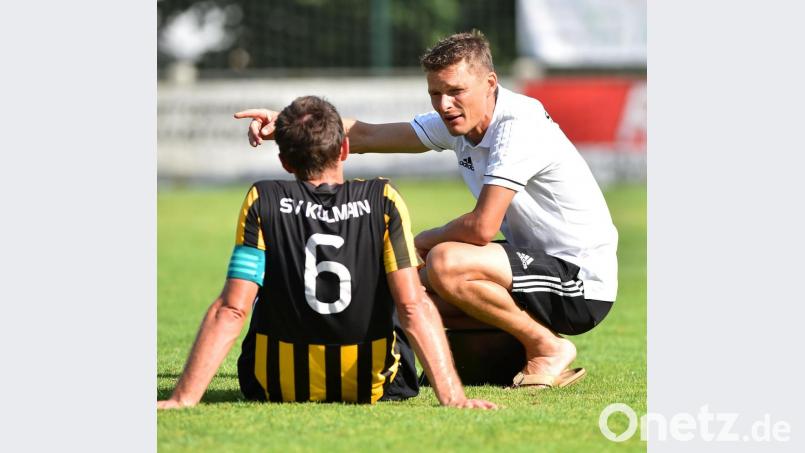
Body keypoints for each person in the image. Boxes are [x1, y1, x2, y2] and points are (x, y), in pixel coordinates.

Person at [234, 31, 618, 390]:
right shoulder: (463, 120)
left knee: (445, 261)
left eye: (456, 91)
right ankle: (491, 354)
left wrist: (419, 241)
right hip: (532, 269)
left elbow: (482, 227)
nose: (445, 105)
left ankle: (547, 346)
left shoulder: (517, 125)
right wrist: (288, 123)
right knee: (404, 290)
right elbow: (367, 135)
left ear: (490, 83)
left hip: (580, 281)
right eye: (436, 93)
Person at [158, 96, 496, 409]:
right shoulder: (383, 199)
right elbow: (413, 306)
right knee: (398, 290)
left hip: (275, 385)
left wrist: (183, 399)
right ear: (345, 148)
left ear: (285, 162)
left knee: (261, 288)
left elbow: (232, 309)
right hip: (375, 385)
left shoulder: (263, 200)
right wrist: (454, 397)